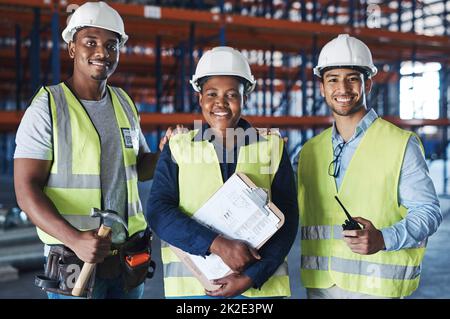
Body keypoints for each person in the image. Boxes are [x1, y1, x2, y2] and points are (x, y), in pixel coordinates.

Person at [14, 1, 171, 299]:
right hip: (75, 260)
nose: (102, 52)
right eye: (91, 42)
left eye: (112, 45)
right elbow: (25, 189)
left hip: (128, 259)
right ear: (72, 48)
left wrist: (166, 153)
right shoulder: (48, 106)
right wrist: (74, 239)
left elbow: (139, 167)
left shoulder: (124, 102)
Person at [297, 34, 442, 299]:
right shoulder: (309, 151)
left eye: (352, 78)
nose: (342, 88)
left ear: (368, 83)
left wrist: (384, 238)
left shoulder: (400, 144)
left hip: (375, 289)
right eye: (333, 79)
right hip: (320, 287)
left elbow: (428, 212)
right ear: (322, 87)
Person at [147, 46, 299, 298]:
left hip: (258, 290)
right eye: (211, 94)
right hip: (194, 289)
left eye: (231, 95)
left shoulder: (271, 147)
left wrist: (252, 275)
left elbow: (287, 220)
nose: (220, 103)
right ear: (200, 98)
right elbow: (159, 212)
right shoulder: (179, 147)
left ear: (245, 97)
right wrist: (216, 244)